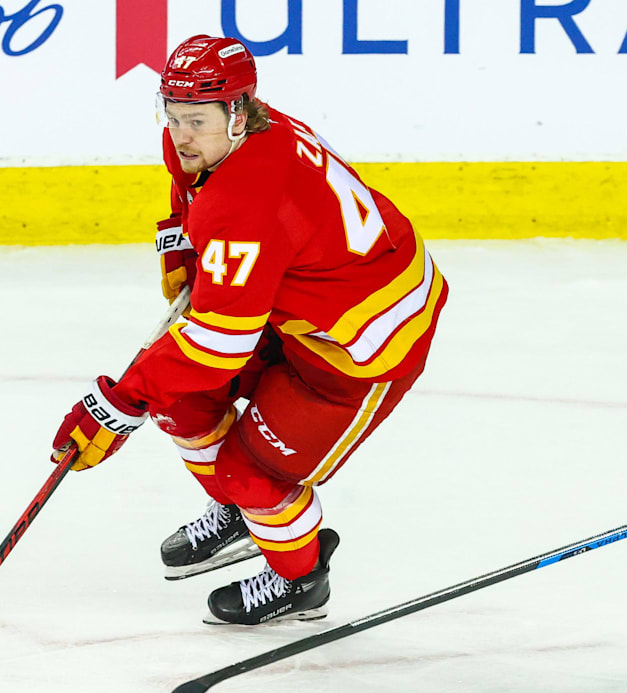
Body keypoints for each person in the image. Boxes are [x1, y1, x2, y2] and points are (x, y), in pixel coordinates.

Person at [49, 35, 448, 625]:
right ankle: (245, 514)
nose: (180, 135)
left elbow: (218, 343)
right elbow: (191, 198)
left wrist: (117, 402)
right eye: (172, 114)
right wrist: (183, 244)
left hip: (363, 341)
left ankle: (302, 578)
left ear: (237, 112)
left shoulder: (249, 198)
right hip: (290, 299)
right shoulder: (223, 139)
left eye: (196, 120)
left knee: (248, 470)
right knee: (181, 404)